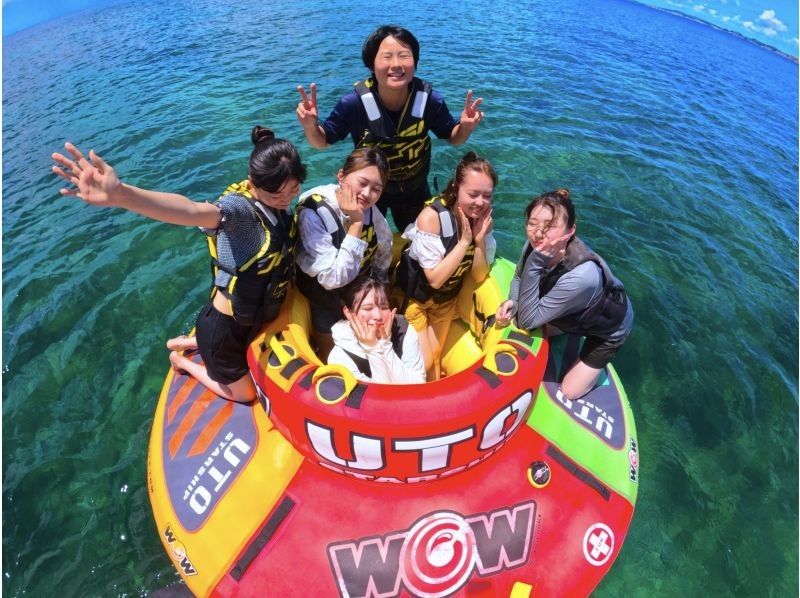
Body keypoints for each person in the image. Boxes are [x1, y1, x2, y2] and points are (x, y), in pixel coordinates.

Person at [51, 127, 306, 403]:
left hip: (249, 320)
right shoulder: (240, 215)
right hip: (223, 330)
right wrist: (122, 194)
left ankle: (188, 342)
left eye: (293, 189)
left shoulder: (278, 203)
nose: (285, 199)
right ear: (252, 184)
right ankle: (181, 360)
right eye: (275, 194)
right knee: (246, 394)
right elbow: (191, 210)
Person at [295, 24, 485, 232]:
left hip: (415, 189)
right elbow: (322, 141)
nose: (396, 64)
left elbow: (454, 138)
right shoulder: (353, 104)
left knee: (420, 238)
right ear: (371, 64)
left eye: (404, 56)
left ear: (415, 62)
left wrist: (465, 127)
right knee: (365, 238)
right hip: (369, 191)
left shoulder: (429, 101)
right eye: (386, 57)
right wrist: (310, 126)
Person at [494, 188, 633, 401]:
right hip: (573, 310)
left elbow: (526, 321)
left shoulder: (582, 275)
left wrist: (535, 263)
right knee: (527, 324)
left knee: (569, 391)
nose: (538, 233)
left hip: (609, 328)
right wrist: (513, 301)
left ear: (571, 230)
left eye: (550, 226)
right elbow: (519, 277)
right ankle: (568, 324)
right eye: (532, 223)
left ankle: (599, 350)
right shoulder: (535, 246)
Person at [395, 151, 496, 381]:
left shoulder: (483, 221)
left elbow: (479, 275)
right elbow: (434, 279)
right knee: (425, 361)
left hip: (445, 300)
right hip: (414, 299)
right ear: (456, 187)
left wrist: (480, 241)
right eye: (473, 194)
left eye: (487, 196)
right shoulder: (432, 218)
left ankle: (433, 393)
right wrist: (464, 242)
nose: (480, 202)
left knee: (436, 355)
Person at [295, 146, 393, 360]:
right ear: (341, 176)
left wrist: (378, 297)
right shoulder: (314, 214)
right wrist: (356, 222)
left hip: (357, 288)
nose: (367, 194)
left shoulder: (373, 215)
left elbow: (383, 255)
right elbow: (333, 279)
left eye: (376, 189)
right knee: (332, 352)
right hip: (325, 294)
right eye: (362, 183)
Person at [328, 277, 425, 384]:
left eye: (384, 307)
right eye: (368, 308)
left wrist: (385, 345)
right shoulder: (339, 357)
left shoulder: (403, 330)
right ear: (348, 313)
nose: (378, 316)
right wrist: (373, 348)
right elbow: (382, 392)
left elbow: (417, 386)